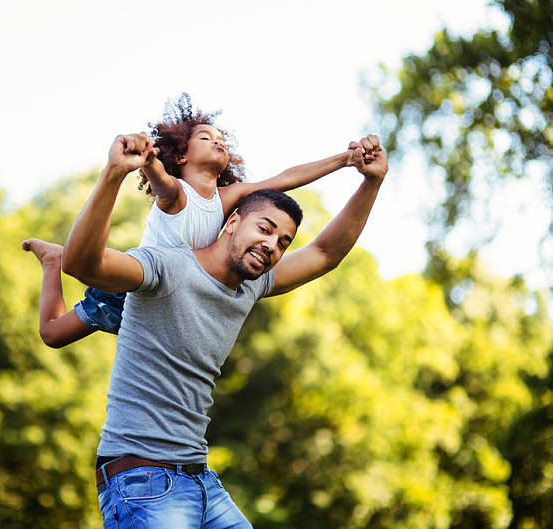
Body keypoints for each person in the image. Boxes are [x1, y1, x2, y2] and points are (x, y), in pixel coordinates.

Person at [59, 131, 388, 528]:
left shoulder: (252, 285)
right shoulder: (165, 267)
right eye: (264, 229)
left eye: (283, 242)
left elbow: (324, 252)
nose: (272, 246)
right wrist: (113, 175)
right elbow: (81, 264)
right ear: (232, 222)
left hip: (200, 479)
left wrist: (371, 182)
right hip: (142, 478)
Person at [23, 94, 369, 348]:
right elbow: (160, 178)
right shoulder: (176, 193)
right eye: (207, 138)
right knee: (53, 334)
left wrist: (344, 160)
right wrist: (144, 159)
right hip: (138, 282)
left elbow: (285, 177)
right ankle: (53, 260)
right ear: (182, 154)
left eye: (221, 140)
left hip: (175, 300)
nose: (218, 141)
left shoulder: (228, 197)